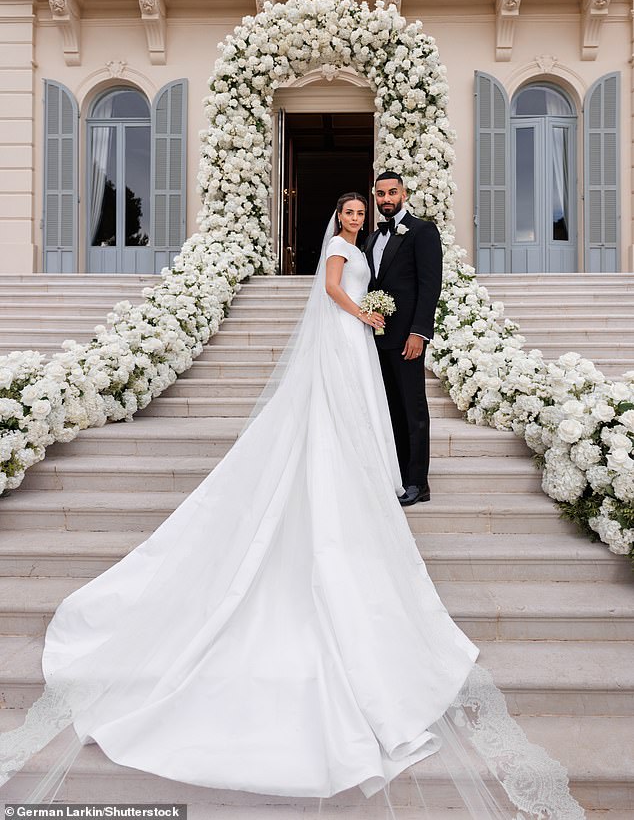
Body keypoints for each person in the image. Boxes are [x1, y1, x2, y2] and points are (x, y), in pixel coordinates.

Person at [0, 194, 583, 820]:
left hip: (359, 338)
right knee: (332, 414)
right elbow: (333, 290)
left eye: (365, 212)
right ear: (339, 217)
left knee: (362, 414)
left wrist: (380, 319)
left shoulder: (370, 244)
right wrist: (366, 313)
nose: (359, 219)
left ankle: (365, 474)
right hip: (344, 334)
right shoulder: (339, 250)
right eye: (352, 212)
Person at [366, 172, 443, 507]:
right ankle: (397, 476)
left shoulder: (422, 231)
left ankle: (418, 483)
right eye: (381, 193)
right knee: (391, 410)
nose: (386, 198)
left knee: (413, 410)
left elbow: (430, 286)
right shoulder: (371, 238)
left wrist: (419, 333)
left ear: (404, 193)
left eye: (392, 192)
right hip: (377, 338)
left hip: (407, 338)